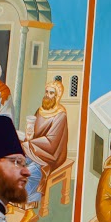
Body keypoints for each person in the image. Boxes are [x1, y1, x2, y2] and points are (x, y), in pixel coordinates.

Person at [26, 81, 70, 209]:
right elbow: (33, 130)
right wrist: (29, 134)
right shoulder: (40, 111)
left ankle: (29, 206)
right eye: (46, 92)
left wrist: (31, 142)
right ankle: (14, 201)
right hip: (35, 148)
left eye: (51, 93)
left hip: (51, 154)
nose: (47, 95)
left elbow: (51, 142)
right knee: (16, 161)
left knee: (30, 171)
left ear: (57, 96)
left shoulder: (60, 115)